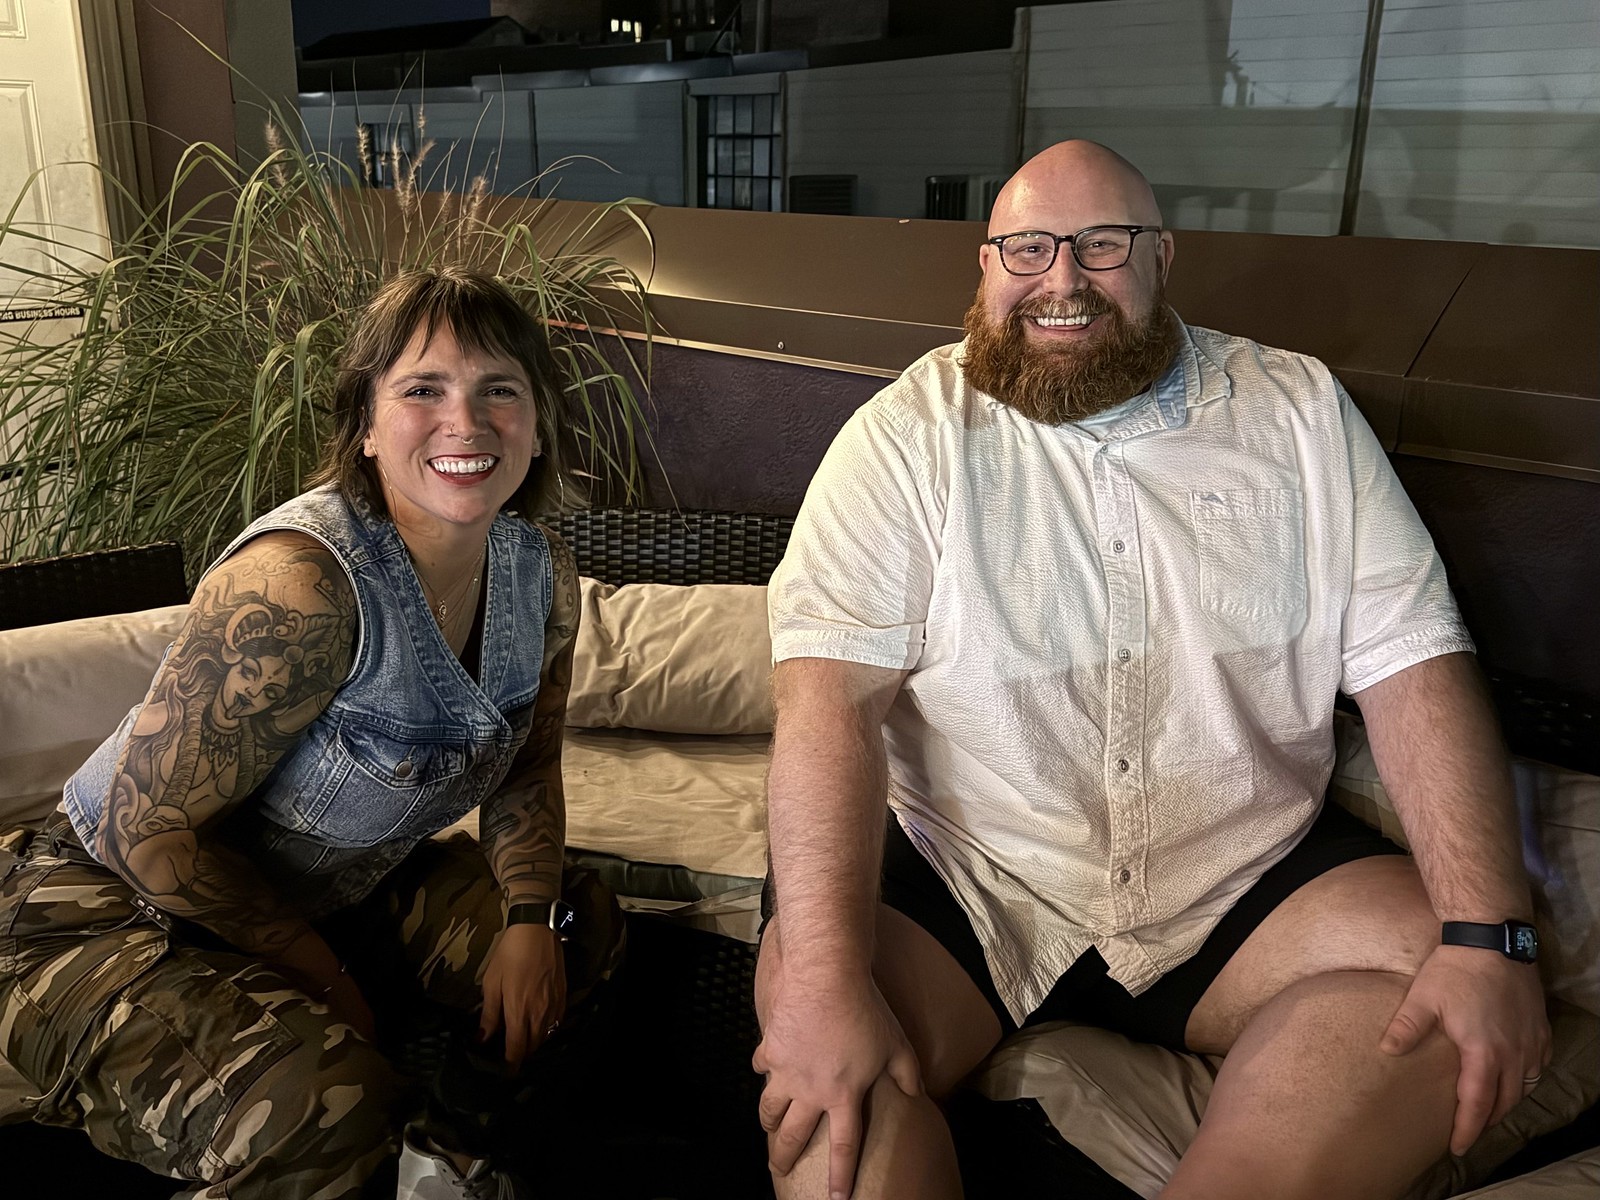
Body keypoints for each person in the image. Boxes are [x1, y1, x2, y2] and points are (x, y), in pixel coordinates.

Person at [752, 141, 1551, 1200]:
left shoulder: (1299, 411)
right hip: (971, 876)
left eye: (1103, 245)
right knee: (827, 1097)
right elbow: (827, 709)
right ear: (985, 267)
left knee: (1452, 986)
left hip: (1236, 876)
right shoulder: (903, 438)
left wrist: (1489, 933)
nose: (1062, 280)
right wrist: (820, 984)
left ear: (1162, 257)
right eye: (1028, 249)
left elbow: (1414, 662)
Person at [0, 267, 624, 1199]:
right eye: (423, 390)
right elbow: (145, 834)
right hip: (99, 910)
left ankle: (443, 1163)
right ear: (366, 426)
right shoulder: (301, 586)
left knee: (580, 925)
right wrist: (329, 984)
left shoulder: (539, 570)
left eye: (500, 389)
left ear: (537, 425)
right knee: (326, 1108)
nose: (467, 421)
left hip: (327, 893)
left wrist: (530, 920)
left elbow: (528, 770)